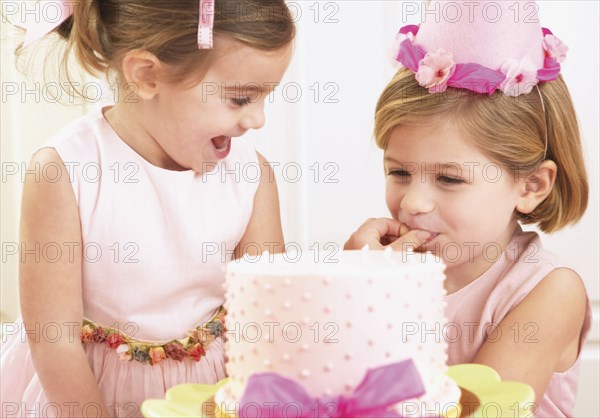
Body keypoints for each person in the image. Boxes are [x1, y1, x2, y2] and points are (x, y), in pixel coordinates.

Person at [1, 1, 295, 417]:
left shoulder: (251, 177)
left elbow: (267, 319)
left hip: (212, 394)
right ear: (147, 75)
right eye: (240, 98)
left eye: (264, 97)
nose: (258, 120)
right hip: (87, 395)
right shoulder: (66, 172)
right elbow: (54, 339)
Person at [344, 1, 591, 416]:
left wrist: (373, 301)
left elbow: (473, 411)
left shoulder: (549, 292)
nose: (412, 203)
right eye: (399, 172)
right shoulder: (387, 269)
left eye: (449, 179)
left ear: (530, 186)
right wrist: (346, 287)